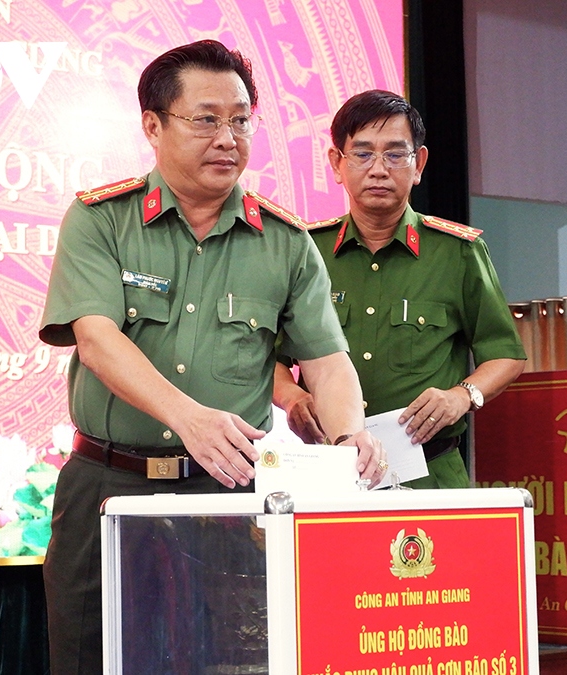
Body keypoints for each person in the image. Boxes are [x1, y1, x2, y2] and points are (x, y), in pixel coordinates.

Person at [38, 41, 384, 675]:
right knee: (90, 658)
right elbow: (97, 339)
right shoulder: (100, 220)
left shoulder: (285, 242)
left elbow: (328, 364)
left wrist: (350, 434)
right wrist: (191, 419)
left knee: (229, 661)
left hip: (232, 492)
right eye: (206, 119)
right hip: (106, 488)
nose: (229, 137)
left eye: (242, 120)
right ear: (153, 125)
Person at [271, 90, 525, 488]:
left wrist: (461, 396)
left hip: (430, 474)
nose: (378, 169)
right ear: (337, 163)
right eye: (363, 154)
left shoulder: (458, 253)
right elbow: (270, 357)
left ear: (418, 163)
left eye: (394, 154)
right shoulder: (306, 251)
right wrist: (292, 398)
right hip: (330, 476)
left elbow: (506, 355)